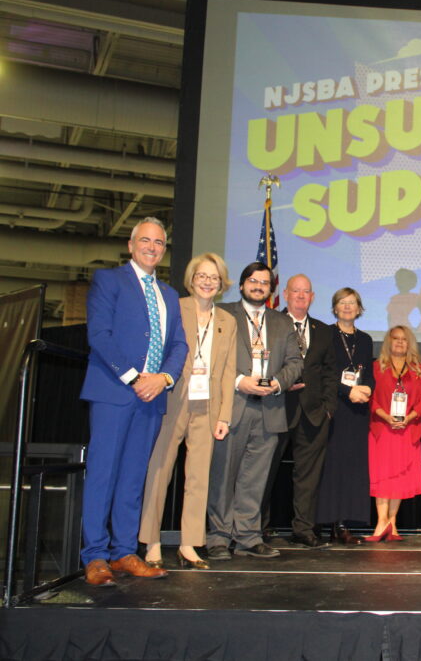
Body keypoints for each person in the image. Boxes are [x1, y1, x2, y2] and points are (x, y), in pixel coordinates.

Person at [79, 216, 188, 585]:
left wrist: (164, 378)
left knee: (132, 479)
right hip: (114, 391)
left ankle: (124, 552)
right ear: (131, 244)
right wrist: (133, 376)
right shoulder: (108, 281)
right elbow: (99, 334)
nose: (152, 247)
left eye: (159, 242)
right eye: (146, 240)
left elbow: (179, 345)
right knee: (103, 475)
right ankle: (95, 555)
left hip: (152, 398)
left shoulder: (170, 295)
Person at [139, 253, 236, 570]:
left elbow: (227, 371)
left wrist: (224, 415)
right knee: (159, 471)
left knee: (198, 478)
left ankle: (189, 544)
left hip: (207, 404)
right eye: (202, 275)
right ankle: (151, 542)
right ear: (192, 278)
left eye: (214, 277)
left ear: (221, 284)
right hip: (172, 398)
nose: (208, 282)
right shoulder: (174, 308)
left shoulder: (228, 322)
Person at [207, 262, 303, 560]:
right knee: (223, 476)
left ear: (271, 289)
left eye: (264, 282)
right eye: (253, 281)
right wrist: (239, 381)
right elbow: (212, 355)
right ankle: (219, 538)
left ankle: (248, 536)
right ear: (241, 284)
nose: (258, 286)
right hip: (232, 405)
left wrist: (276, 384)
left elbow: (295, 363)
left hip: (270, 409)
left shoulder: (282, 322)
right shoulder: (222, 314)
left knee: (255, 479)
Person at [260, 274, 339, 549]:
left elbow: (331, 372)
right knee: (264, 472)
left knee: (308, 477)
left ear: (313, 297)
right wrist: (278, 384)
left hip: (314, 414)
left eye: (306, 292)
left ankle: (303, 530)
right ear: (286, 293)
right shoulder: (270, 323)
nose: (301, 296)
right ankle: (257, 528)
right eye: (296, 291)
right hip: (276, 408)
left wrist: (329, 407)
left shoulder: (324, 331)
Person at [316, 288, 375, 545]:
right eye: (342, 302)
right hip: (335, 407)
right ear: (335, 307)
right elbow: (323, 373)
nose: (348, 307)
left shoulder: (365, 339)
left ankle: (343, 524)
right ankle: (324, 521)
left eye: (352, 303)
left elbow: (369, 373)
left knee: (352, 467)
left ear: (359, 308)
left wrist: (367, 389)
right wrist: (347, 390)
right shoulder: (326, 335)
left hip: (358, 411)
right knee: (332, 467)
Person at [367, 325, 421, 541]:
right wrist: (386, 417)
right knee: (383, 476)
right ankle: (380, 522)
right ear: (388, 342)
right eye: (395, 338)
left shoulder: (417, 370)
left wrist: (410, 416)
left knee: (400, 478)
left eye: (404, 339)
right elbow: (370, 397)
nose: (400, 342)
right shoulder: (376, 367)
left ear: (410, 343)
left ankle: (392, 523)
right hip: (383, 430)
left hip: (407, 430)